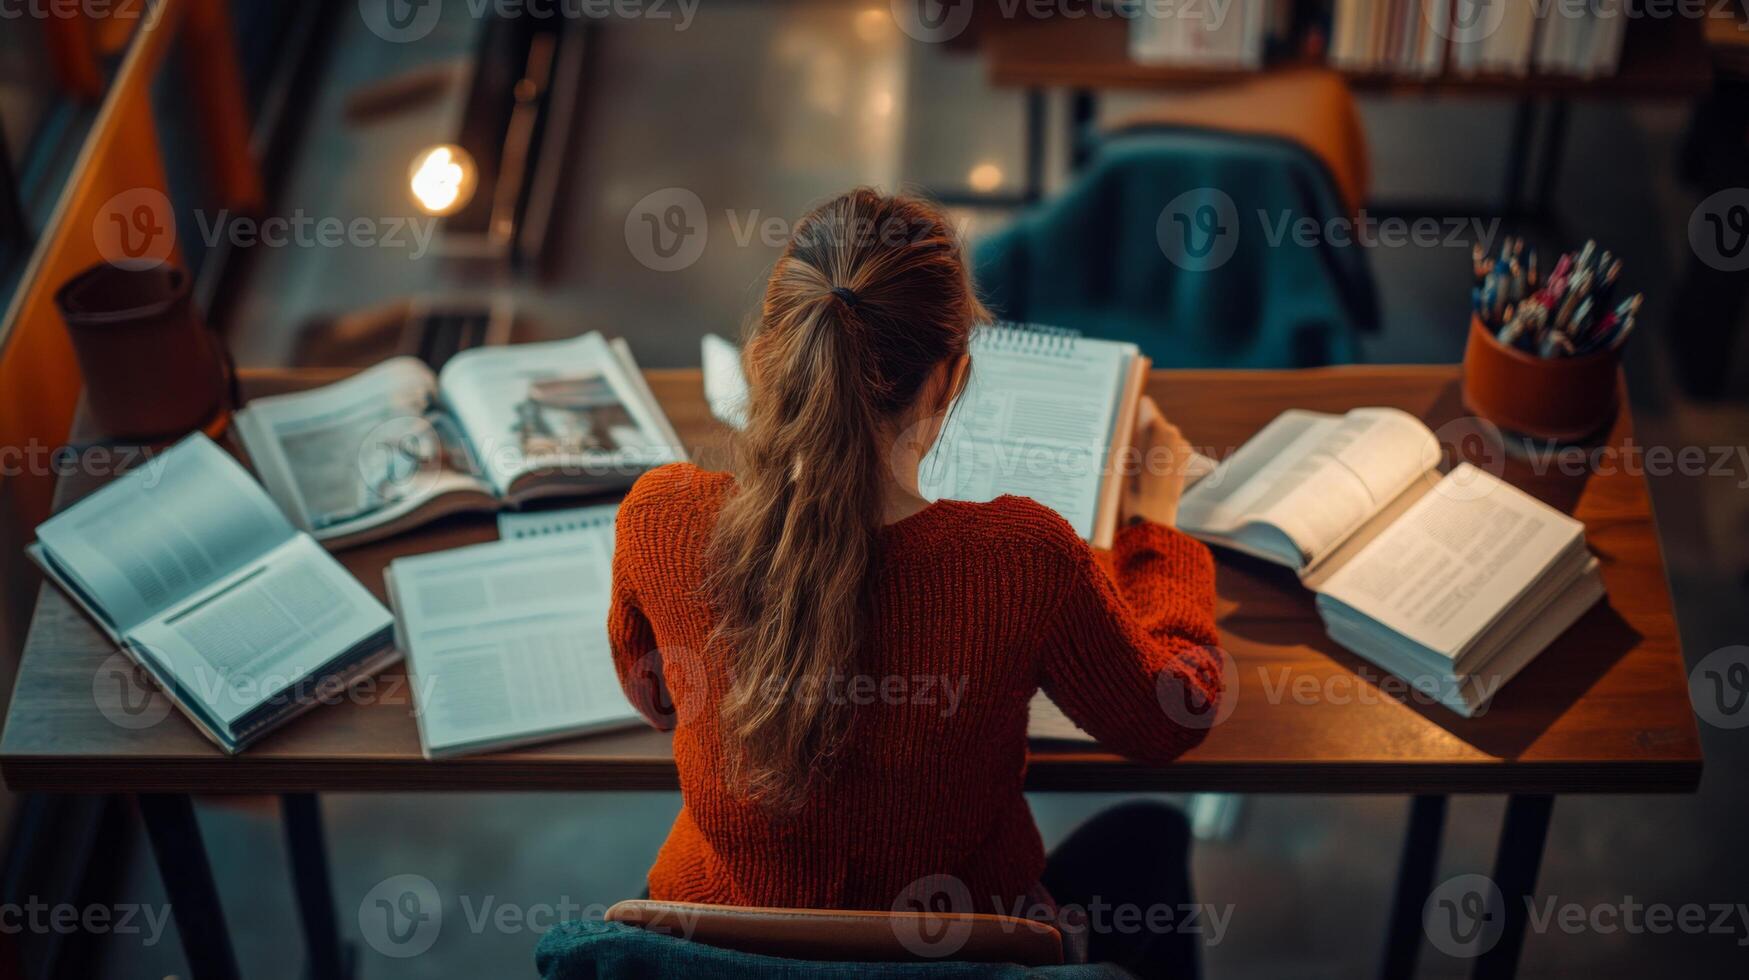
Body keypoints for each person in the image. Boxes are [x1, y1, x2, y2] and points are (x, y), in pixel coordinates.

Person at [608, 188, 1223, 976]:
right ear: (949, 381)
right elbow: (1172, 717)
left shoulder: (661, 517)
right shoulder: (1022, 560)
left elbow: (658, 700)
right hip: (957, 946)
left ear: (764, 356)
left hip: (718, 942)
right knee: (1147, 838)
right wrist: (1156, 527)